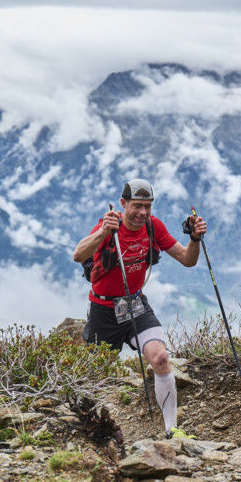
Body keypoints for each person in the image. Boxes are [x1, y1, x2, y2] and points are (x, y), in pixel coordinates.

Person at [72, 178, 206, 439]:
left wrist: (195, 239)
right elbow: (78, 255)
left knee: (161, 358)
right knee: (94, 376)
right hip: (103, 309)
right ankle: (89, 434)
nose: (142, 212)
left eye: (147, 206)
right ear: (123, 204)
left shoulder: (154, 227)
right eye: (137, 206)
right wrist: (103, 233)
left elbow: (187, 260)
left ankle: (172, 430)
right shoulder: (108, 226)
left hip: (135, 304)